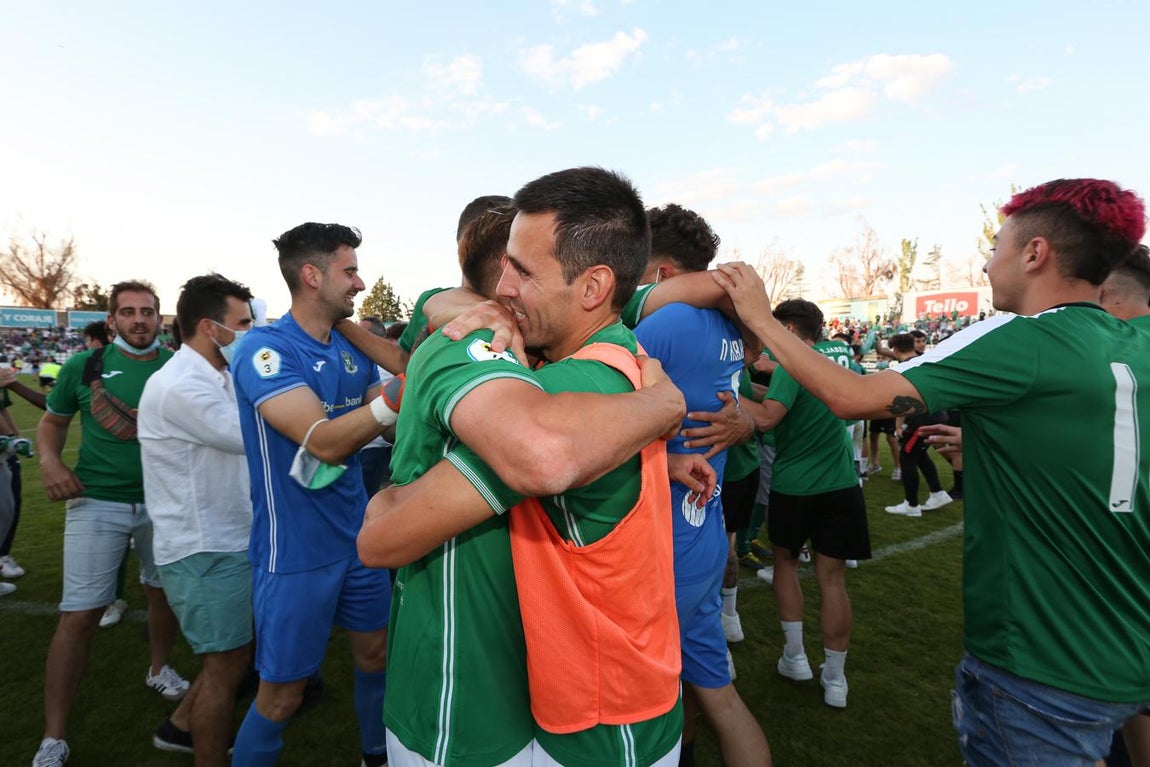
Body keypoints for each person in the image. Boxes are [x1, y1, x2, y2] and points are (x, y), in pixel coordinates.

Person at [712, 178, 1150, 765]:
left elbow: (854, 398)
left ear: (1034, 253)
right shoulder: (1135, 341)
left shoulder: (1021, 337)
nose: (987, 263)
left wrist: (761, 319)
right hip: (1130, 639)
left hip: (1042, 655)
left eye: (995, 247)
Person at [358, 170, 702, 767]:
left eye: (522, 270)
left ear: (594, 286)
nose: (501, 287)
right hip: (608, 697)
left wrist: (664, 407)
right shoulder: (614, 359)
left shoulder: (571, 388)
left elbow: (382, 536)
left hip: (604, 720)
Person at [230, 223, 394, 767]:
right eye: (350, 271)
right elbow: (322, 442)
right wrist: (396, 399)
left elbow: (390, 422)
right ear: (312, 275)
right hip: (294, 553)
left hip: (358, 541)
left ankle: (376, 755)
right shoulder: (265, 350)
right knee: (282, 696)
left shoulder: (349, 347)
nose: (359, 283)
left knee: (376, 656)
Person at [625, 203, 768, 766]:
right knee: (696, 687)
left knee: (683, 696)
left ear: (660, 274)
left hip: (666, 542)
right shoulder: (726, 327)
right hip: (701, 531)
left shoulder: (667, 323)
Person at [32, 280, 189, 767]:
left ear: (160, 318)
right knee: (79, 615)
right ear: (112, 319)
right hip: (96, 501)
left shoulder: (179, 365)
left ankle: (159, 668)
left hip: (165, 504)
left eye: (147, 311)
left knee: (161, 595)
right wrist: (51, 464)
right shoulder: (84, 365)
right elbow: (53, 422)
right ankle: (53, 736)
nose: (139, 320)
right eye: (128, 312)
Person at [138, 274, 256, 765]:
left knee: (232, 660)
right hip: (204, 548)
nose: (250, 333)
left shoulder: (217, 376)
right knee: (225, 667)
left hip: (226, 540)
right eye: (243, 324)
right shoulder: (180, 386)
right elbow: (249, 436)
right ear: (210, 327)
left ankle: (181, 727)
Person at [882, 333, 952, 518]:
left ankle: (911, 504)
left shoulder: (905, 368)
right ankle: (938, 493)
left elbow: (903, 401)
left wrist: (898, 426)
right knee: (920, 456)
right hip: (937, 415)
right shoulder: (923, 361)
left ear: (896, 350)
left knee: (907, 458)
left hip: (921, 421)